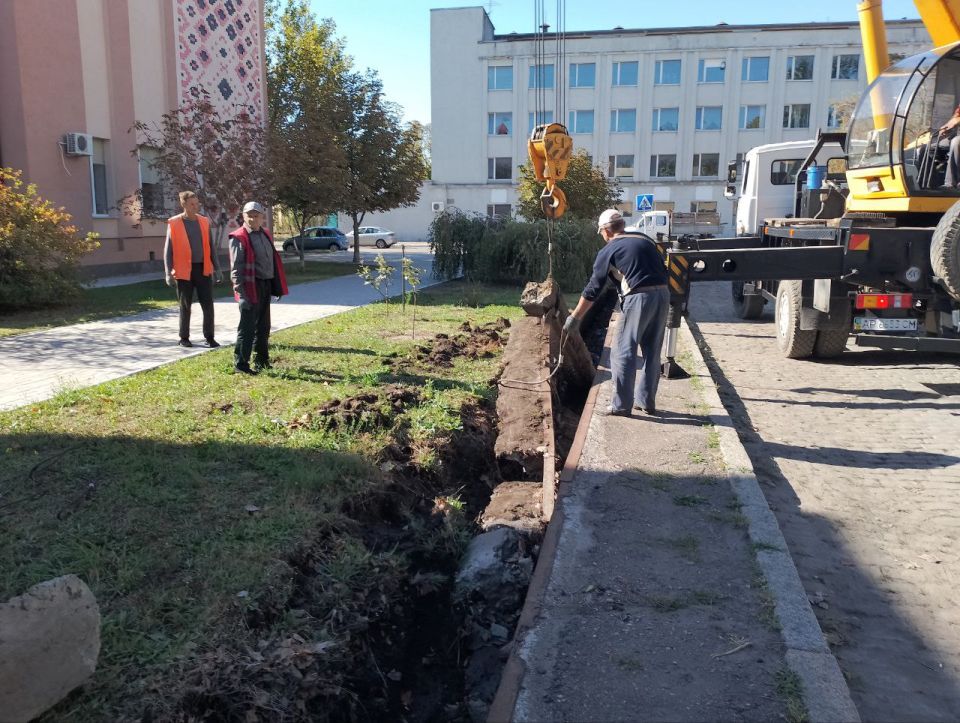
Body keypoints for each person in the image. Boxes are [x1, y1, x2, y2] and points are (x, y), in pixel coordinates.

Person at [563, 209, 669, 416]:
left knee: (623, 350)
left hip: (639, 298)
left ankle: (621, 406)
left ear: (605, 231)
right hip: (663, 294)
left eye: (601, 233)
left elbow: (594, 288)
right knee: (652, 351)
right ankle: (646, 402)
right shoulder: (645, 240)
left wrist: (575, 317)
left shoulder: (609, 249)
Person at [229, 201, 288, 375]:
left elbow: (272, 261)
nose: (253, 219)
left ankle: (262, 361)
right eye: (250, 215)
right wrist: (242, 294)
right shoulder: (238, 236)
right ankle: (241, 364)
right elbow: (236, 268)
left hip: (265, 285)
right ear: (244, 216)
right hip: (250, 287)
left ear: (262, 217)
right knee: (246, 328)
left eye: (257, 215)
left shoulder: (266, 234)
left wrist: (275, 286)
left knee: (263, 327)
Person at [164, 190, 221, 348]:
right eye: (192, 204)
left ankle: (209, 337)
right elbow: (168, 251)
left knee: (208, 304)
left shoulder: (203, 221)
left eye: (197, 204)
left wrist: (217, 268)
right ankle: (184, 338)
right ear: (183, 205)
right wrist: (168, 273)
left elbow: (211, 246)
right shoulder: (174, 223)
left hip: (203, 269)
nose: (196, 207)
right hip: (184, 272)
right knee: (185, 305)